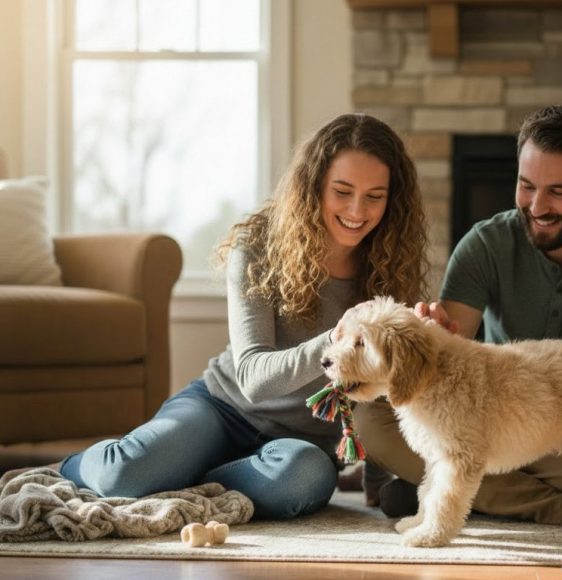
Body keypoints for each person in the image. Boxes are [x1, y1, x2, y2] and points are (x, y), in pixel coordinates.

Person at [51, 113, 429, 520]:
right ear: (314, 184)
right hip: (222, 410)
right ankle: (77, 468)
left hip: (302, 446)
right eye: (342, 191)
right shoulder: (259, 245)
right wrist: (338, 339)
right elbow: (252, 379)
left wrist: (377, 478)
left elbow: (383, 384)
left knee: (300, 481)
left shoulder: (391, 268)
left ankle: (184, 478)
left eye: (375, 196)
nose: (358, 210)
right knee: (123, 473)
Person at [354, 104, 562, 526]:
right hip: (486, 424)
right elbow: (443, 368)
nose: (537, 205)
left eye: (558, 192)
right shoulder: (483, 245)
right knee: (372, 418)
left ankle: (440, 495)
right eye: (527, 186)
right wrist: (430, 333)